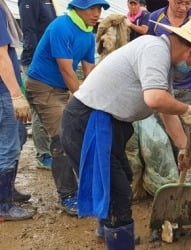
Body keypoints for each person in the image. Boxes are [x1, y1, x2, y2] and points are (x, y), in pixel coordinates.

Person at [60, 16, 191, 249]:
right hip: (89, 122)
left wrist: (182, 147)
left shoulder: (163, 61)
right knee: (117, 194)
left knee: (121, 180)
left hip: (108, 124)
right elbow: (155, 99)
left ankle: (110, 232)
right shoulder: (155, 48)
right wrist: (187, 109)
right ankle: (118, 239)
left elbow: (167, 111)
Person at [25, 0, 110, 216]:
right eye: (92, 8)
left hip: (61, 88)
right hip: (42, 86)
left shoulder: (88, 32)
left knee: (78, 132)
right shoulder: (61, 27)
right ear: (78, 8)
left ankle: (85, 184)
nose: (97, 13)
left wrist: (97, 97)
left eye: (99, 9)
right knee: (62, 137)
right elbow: (66, 70)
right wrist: (85, 101)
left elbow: (89, 69)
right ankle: (67, 195)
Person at [0, 0, 34, 221]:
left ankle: (7, 191)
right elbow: (1, 55)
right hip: (3, 89)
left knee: (17, 137)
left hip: (6, 87)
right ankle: (3, 205)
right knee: (8, 146)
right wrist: (15, 94)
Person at [18, 0, 57, 170]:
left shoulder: (48, 1)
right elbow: (29, 30)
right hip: (35, 62)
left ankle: (50, 150)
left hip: (49, 60)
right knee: (39, 108)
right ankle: (43, 154)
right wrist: (35, 61)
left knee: (49, 106)